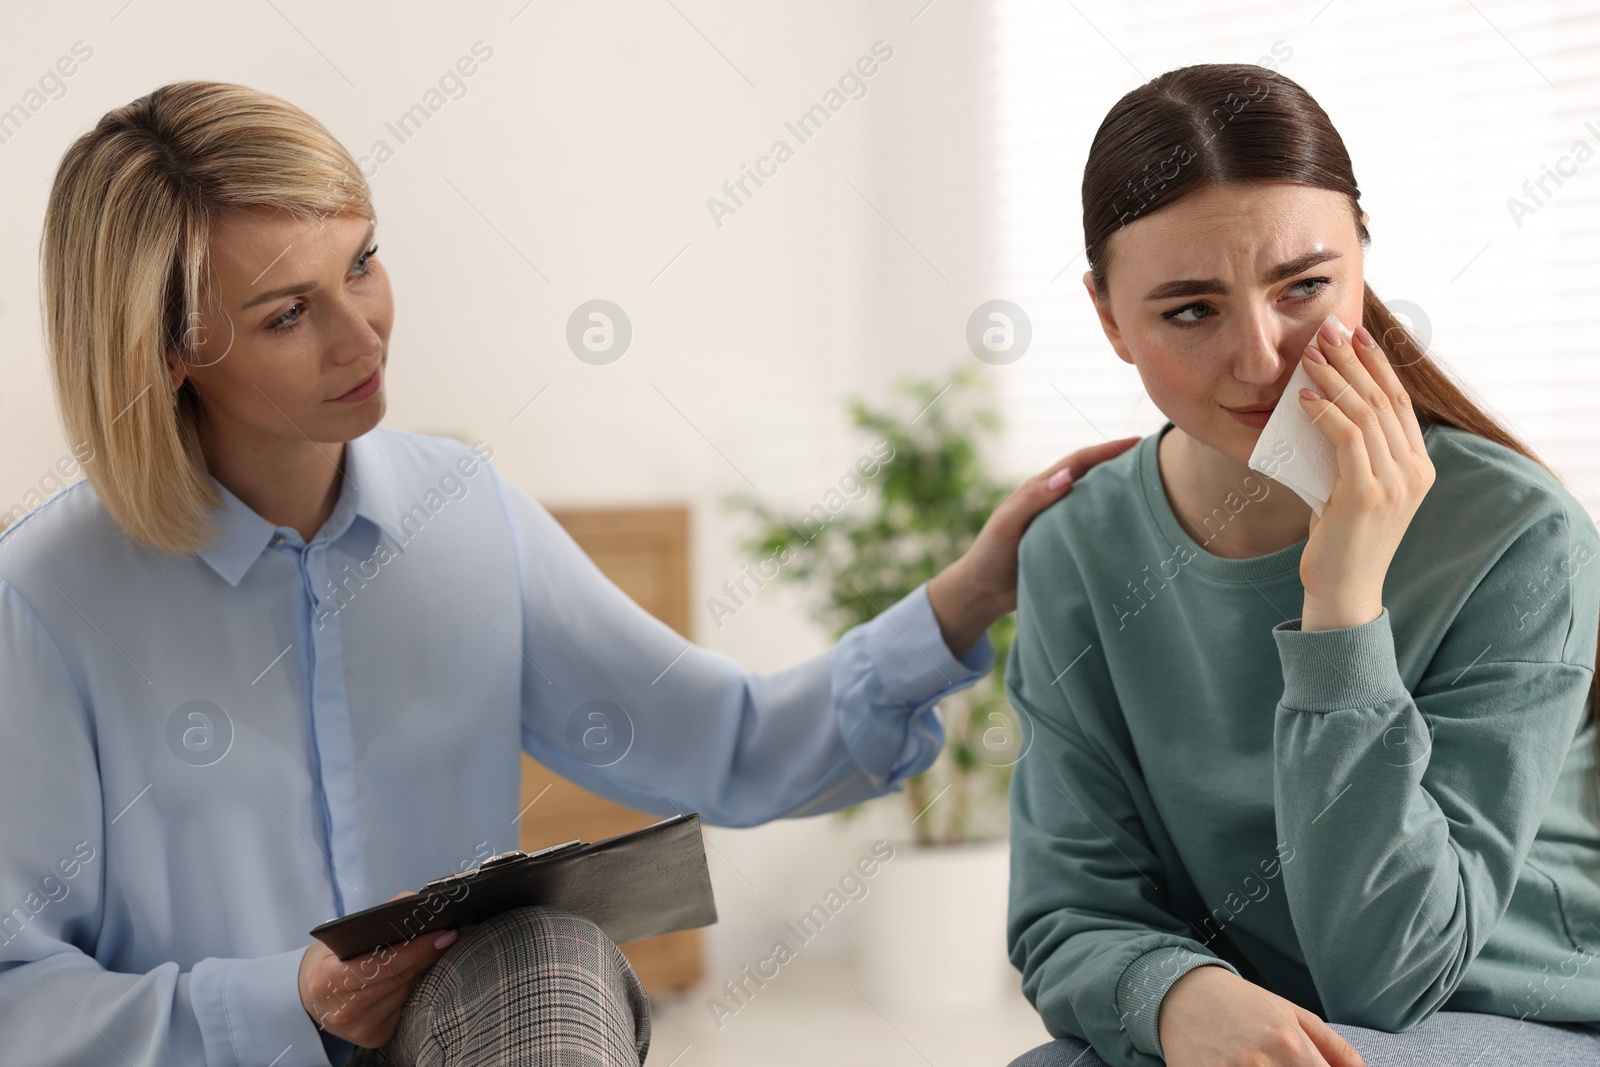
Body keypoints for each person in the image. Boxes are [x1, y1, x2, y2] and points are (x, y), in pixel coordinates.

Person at [0, 80, 1133, 1067]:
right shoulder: (47, 598)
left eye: (364, 262)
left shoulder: (462, 511)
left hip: (468, 1034)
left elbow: (726, 744)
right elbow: (17, 1000)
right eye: (290, 314)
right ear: (164, 353)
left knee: (550, 949)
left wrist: (970, 591)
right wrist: (282, 1001)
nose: (363, 336)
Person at [1004, 64, 1600, 1067]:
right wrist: (1175, 993)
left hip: (1510, 1009)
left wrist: (1342, 607)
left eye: (1304, 287)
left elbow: (1393, 970)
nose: (1259, 355)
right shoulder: (1077, 546)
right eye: (1190, 310)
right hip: (1255, 1015)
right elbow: (1071, 908)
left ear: (1361, 260)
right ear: (1109, 318)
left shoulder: (1515, 531)